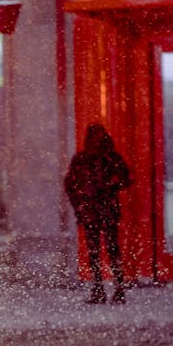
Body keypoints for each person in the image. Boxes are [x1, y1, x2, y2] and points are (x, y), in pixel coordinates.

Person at [64, 123, 132, 304]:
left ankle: (103, 289)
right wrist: (110, 187)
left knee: (100, 250)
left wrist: (81, 202)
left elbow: (70, 184)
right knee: (108, 250)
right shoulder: (107, 158)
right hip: (100, 209)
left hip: (94, 210)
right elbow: (126, 179)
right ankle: (112, 289)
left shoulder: (87, 159)